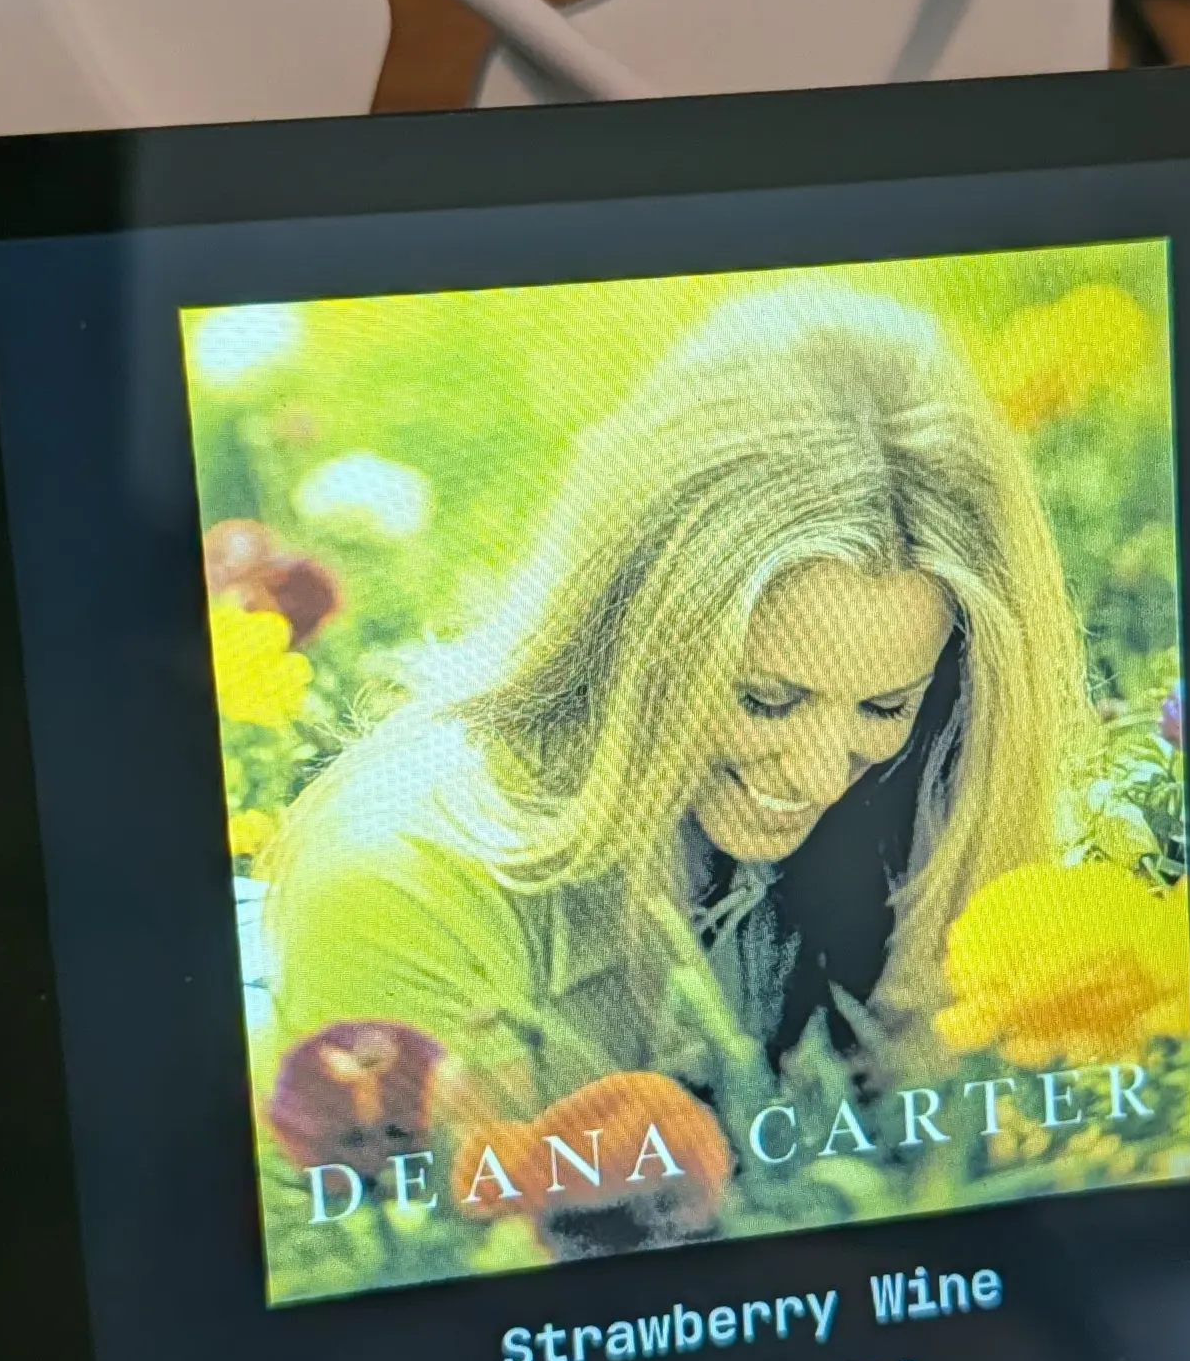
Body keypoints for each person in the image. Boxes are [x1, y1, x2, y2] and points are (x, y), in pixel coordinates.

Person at [260, 279, 1094, 1235]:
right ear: (628, 630)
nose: (818, 775)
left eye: (882, 707)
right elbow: (471, 1285)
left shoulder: (926, 800)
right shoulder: (402, 880)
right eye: (764, 699)